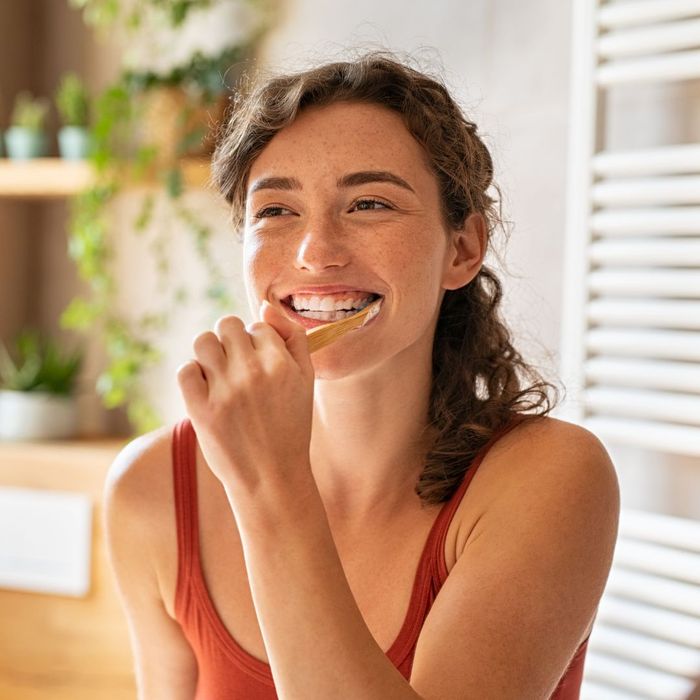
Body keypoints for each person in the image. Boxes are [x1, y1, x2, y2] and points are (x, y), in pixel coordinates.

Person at [104, 52, 620, 699]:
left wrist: (270, 485)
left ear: (462, 248)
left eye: (369, 203)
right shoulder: (152, 490)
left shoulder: (551, 480)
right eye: (276, 211)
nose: (316, 251)